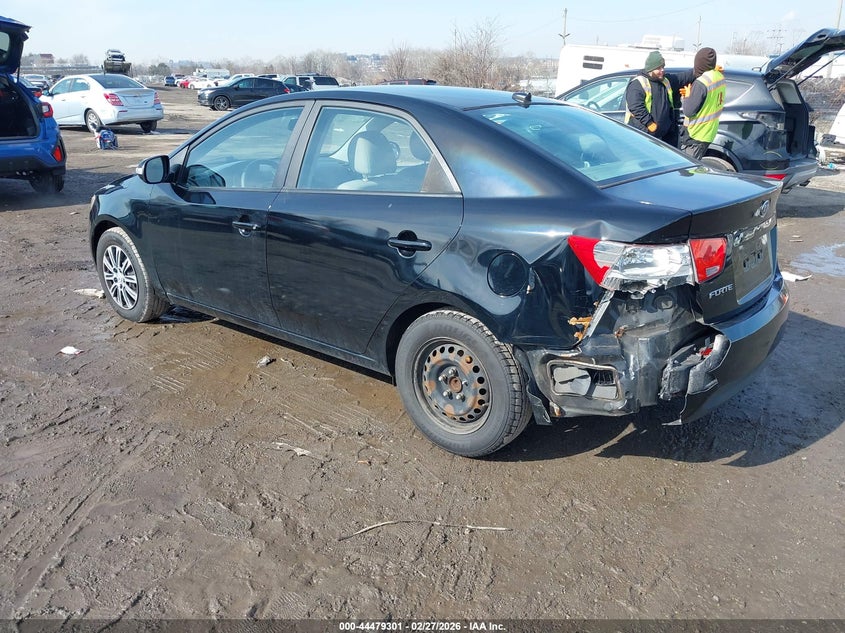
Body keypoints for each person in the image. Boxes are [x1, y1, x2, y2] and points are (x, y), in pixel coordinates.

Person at [624, 50, 696, 148]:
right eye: (658, 68)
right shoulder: (638, 84)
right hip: (643, 135)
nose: (662, 70)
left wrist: (707, 69)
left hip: (664, 136)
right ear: (650, 69)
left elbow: (685, 77)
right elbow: (635, 106)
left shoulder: (665, 81)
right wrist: (649, 123)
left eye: (663, 67)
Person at [680, 47, 726, 160]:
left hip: (696, 134)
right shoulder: (719, 76)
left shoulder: (701, 82)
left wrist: (687, 97)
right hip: (709, 132)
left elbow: (689, 111)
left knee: (688, 171)